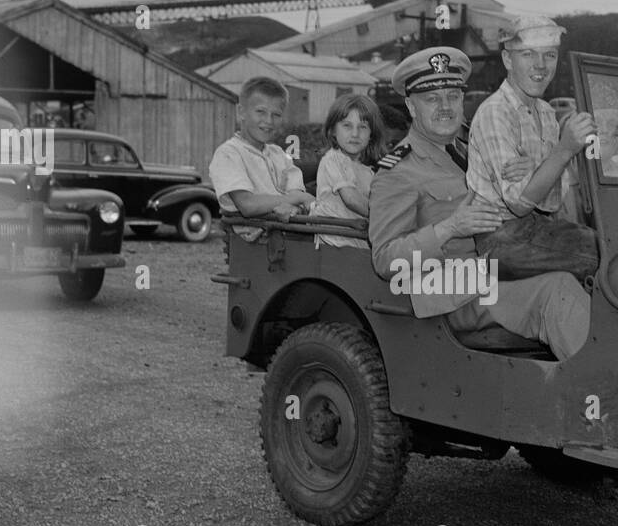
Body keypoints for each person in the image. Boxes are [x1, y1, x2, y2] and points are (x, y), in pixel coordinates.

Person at [367, 46, 590, 361]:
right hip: (453, 287)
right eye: (432, 99)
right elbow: (386, 260)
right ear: (411, 107)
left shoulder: (476, 149)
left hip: (505, 262)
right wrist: (449, 228)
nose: (445, 107)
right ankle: (603, 400)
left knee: (601, 271)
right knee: (558, 290)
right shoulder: (398, 171)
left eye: (453, 96)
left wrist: (534, 171)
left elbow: (523, 204)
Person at [465, 14, 599, 281]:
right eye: (527, 54)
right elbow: (520, 204)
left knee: (611, 241)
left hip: (535, 228)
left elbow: (548, 202)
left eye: (549, 55)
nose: (540, 65)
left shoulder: (547, 114)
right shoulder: (495, 112)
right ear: (507, 60)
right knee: (603, 255)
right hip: (499, 240)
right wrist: (563, 151)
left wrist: (540, 168)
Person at [209, 75, 315, 242]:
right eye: (260, 112)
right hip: (257, 243)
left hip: (287, 234)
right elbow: (248, 205)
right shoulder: (229, 154)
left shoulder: (279, 154)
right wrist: (295, 199)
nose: (268, 121)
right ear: (241, 112)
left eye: (276, 115)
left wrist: (294, 204)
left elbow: (296, 191)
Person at [311, 94, 387, 249]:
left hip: (357, 241)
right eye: (347, 125)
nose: (355, 134)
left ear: (371, 134)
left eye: (363, 127)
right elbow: (351, 200)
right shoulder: (332, 160)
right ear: (333, 130)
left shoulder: (368, 172)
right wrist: (388, 217)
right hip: (336, 243)